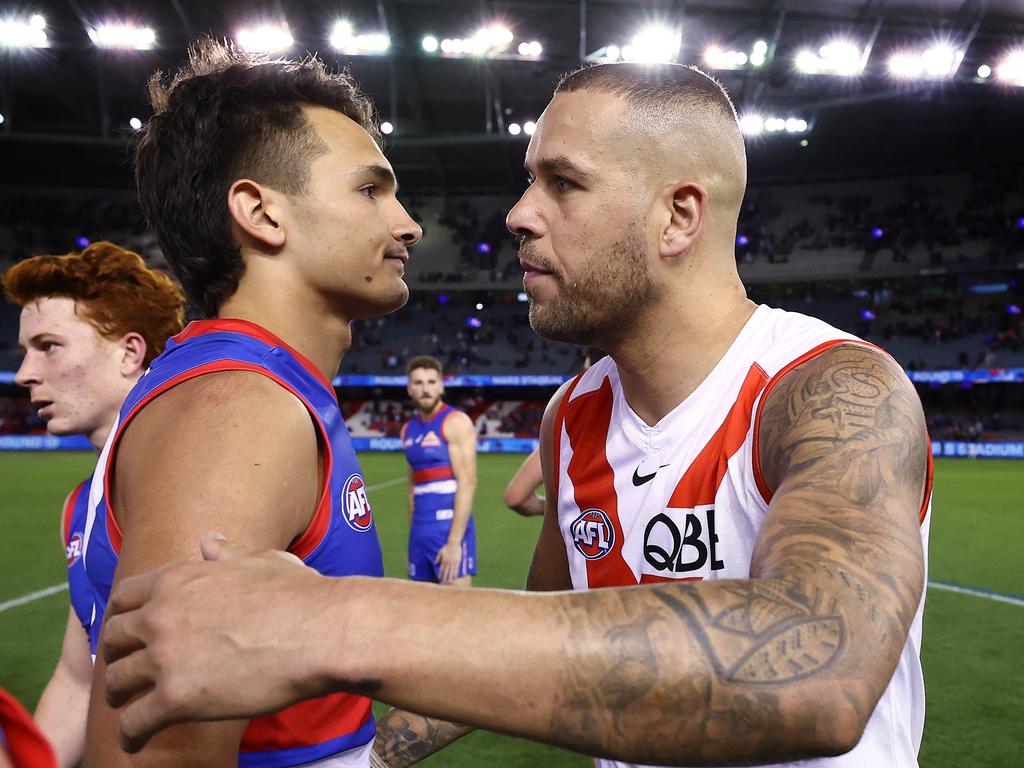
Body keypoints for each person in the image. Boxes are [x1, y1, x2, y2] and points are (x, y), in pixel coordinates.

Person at [100, 63, 931, 768]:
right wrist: (376, 754)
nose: (519, 213)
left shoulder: (834, 388)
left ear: (679, 216)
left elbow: (823, 666)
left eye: (562, 183)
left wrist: (322, 621)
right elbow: (542, 637)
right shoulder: (571, 419)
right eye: (531, 180)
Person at [78, 39, 421, 767]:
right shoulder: (237, 410)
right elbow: (150, 754)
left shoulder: (260, 386)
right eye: (371, 190)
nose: (407, 224)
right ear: (261, 213)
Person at [2, 242, 185, 768]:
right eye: (24, 350)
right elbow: (80, 675)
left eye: (49, 346)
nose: (23, 373)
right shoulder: (79, 505)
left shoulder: (199, 477)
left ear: (130, 352)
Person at [401, 356, 477, 585]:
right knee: (421, 612)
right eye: (419, 383)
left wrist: (454, 543)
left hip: (448, 530)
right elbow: (413, 486)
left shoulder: (455, 422)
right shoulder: (408, 429)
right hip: (420, 533)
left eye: (432, 382)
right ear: (409, 389)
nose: (426, 389)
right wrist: (413, 541)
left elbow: (468, 482)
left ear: (441, 386)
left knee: (457, 611)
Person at [504, 346, 605, 517]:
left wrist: (568, 509)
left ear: (588, 368)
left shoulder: (570, 421)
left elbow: (516, 497)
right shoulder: (654, 419)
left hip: (591, 535)